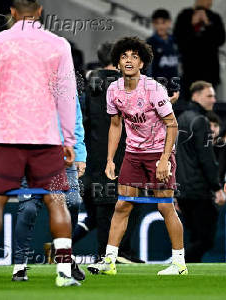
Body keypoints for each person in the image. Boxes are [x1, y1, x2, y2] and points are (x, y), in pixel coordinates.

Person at [0, 0, 80, 287]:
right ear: (39, 11)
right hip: (47, 140)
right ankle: (64, 274)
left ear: (12, 12)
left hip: (6, 138)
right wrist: (69, 139)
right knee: (57, 200)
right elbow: (66, 95)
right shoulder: (59, 44)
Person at [87, 36, 187, 275]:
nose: (129, 60)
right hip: (132, 153)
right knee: (122, 205)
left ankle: (179, 263)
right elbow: (115, 125)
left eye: (134, 56)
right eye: (124, 56)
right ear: (118, 63)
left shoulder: (154, 88)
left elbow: (172, 124)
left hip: (158, 152)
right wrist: (110, 159)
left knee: (165, 206)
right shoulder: (113, 89)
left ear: (142, 63)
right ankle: (109, 260)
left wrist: (164, 159)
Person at [75, 42, 142, 263]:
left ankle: (105, 254)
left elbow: (80, 123)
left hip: (96, 158)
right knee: (130, 202)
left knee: (103, 207)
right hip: (128, 154)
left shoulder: (88, 88)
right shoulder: (132, 86)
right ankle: (124, 251)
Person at [11, 95, 86, 282]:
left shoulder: (66, 88)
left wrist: (80, 154)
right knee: (28, 209)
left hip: (64, 159)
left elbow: (76, 121)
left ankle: (65, 255)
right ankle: (20, 265)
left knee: (73, 202)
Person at [175, 81, 226, 263]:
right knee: (206, 240)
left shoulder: (180, 118)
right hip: (198, 190)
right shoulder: (200, 121)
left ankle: (185, 269)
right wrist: (217, 187)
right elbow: (206, 157)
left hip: (183, 190)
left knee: (196, 237)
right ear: (196, 96)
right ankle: (179, 263)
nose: (214, 99)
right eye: (209, 95)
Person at [173, 0, 226, 97]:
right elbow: (178, 38)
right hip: (190, 71)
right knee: (190, 105)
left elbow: (221, 39)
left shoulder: (214, 18)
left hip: (210, 71)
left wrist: (207, 24)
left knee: (209, 105)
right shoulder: (185, 15)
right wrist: (192, 24)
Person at [147, 9, 179, 101]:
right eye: (157, 23)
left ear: (169, 23)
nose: (160, 26)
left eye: (163, 22)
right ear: (153, 24)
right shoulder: (150, 43)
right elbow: (148, 69)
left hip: (176, 88)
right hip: (158, 90)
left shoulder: (175, 42)